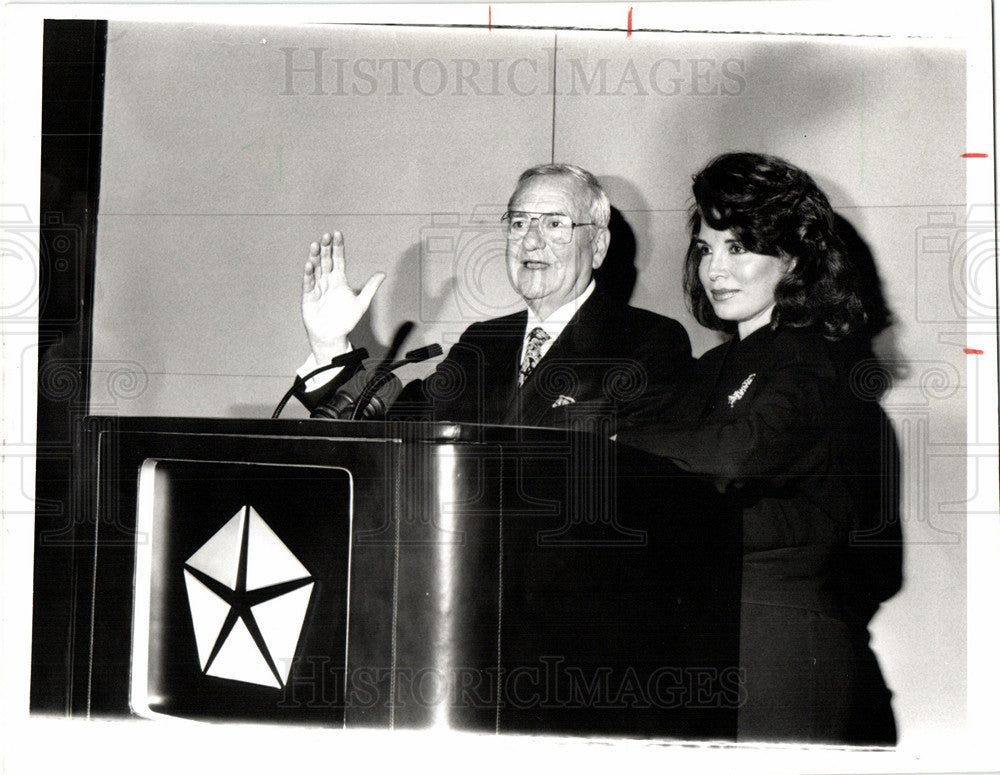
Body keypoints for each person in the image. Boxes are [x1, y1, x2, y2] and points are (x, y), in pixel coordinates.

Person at [617, 152, 898, 744]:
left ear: (793, 259)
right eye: (706, 248)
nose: (715, 268)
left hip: (782, 649)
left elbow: (733, 454)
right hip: (705, 640)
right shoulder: (712, 368)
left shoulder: (816, 360)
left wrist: (615, 439)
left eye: (738, 248)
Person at [294, 163, 693, 427]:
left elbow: (642, 474)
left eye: (555, 224)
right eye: (519, 223)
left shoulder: (648, 341)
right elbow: (396, 423)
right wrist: (329, 344)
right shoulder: (483, 343)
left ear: (599, 245)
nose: (532, 241)